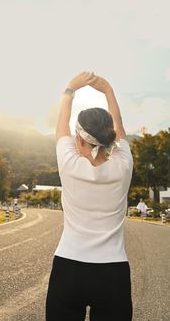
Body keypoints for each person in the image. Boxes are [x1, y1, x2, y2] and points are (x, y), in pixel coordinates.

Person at [45, 71, 133, 321]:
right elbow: (120, 127)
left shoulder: (69, 164)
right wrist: (107, 90)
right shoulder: (123, 165)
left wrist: (70, 90)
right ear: (109, 137)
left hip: (68, 268)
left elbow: (60, 127)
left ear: (79, 139)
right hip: (113, 274)